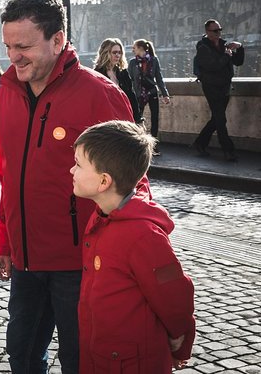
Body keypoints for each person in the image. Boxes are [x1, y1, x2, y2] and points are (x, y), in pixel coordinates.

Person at [0, 0, 137, 374]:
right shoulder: (6, 94)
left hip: (82, 264)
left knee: (81, 362)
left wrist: (122, 263)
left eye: (23, 46)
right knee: (22, 357)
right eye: (7, 46)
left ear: (58, 40)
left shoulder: (100, 95)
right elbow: (8, 179)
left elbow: (131, 187)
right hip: (25, 263)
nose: (13, 56)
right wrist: (5, 241)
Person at [71, 120, 195, 373]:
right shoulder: (101, 216)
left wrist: (180, 345)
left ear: (104, 181)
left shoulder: (144, 236)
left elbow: (174, 298)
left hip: (133, 362)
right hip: (102, 352)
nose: (71, 170)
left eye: (78, 164)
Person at [192, 19, 244, 162]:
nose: (218, 33)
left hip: (225, 87)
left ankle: (200, 143)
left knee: (217, 118)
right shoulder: (203, 48)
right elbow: (212, 66)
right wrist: (226, 56)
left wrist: (239, 47)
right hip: (211, 87)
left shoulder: (224, 45)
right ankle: (228, 150)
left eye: (220, 29)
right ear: (207, 32)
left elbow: (238, 62)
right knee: (221, 119)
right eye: (215, 30)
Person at [128, 39, 170, 145]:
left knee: (155, 118)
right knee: (137, 118)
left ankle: (154, 144)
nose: (133, 50)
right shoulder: (133, 62)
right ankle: (137, 142)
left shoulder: (154, 60)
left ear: (141, 48)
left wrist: (165, 94)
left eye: (134, 48)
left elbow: (159, 78)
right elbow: (129, 79)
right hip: (139, 94)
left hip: (152, 92)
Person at [93, 38, 141, 123]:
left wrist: (138, 119)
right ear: (105, 53)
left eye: (119, 52)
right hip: (106, 119)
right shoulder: (97, 73)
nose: (117, 55)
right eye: (114, 52)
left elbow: (131, 95)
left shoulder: (123, 72)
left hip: (124, 116)